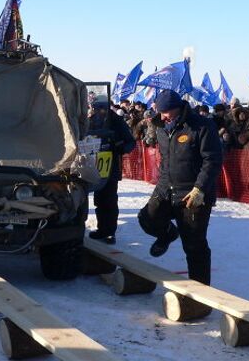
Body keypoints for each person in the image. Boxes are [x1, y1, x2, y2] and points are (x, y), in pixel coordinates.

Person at [137, 90, 222, 287]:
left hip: (192, 193)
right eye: (161, 112)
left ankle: (200, 293)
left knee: (194, 245)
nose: (164, 116)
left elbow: (212, 160)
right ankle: (167, 234)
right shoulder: (160, 127)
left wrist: (200, 188)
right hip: (167, 188)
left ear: (178, 108)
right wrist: (161, 185)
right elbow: (166, 160)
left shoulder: (201, 125)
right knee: (147, 219)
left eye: (168, 112)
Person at [87, 101, 136, 244]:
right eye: (96, 108)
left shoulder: (116, 121)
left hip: (111, 166)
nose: (98, 111)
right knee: (99, 200)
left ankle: (109, 232)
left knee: (109, 200)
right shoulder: (92, 120)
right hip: (93, 166)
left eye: (101, 108)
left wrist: (119, 147)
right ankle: (102, 229)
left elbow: (130, 142)